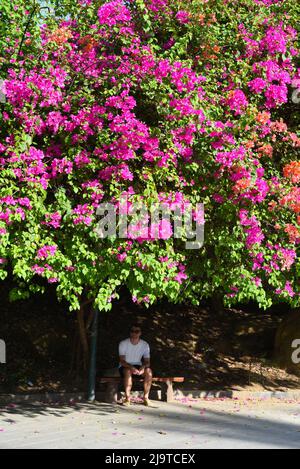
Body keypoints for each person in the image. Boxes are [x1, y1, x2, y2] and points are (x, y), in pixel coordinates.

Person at [119, 324, 153, 406]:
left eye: (137, 331)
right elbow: (122, 361)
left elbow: (147, 361)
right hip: (125, 366)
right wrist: (131, 367)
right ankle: (127, 399)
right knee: (127, 371)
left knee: (149, 371)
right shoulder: (123, 343)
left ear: (140, 333)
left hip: (138, 365)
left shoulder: (145, 345)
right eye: (132, 331)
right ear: (130, 333)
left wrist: (143, 367)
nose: (134, 333)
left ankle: (146, 398)